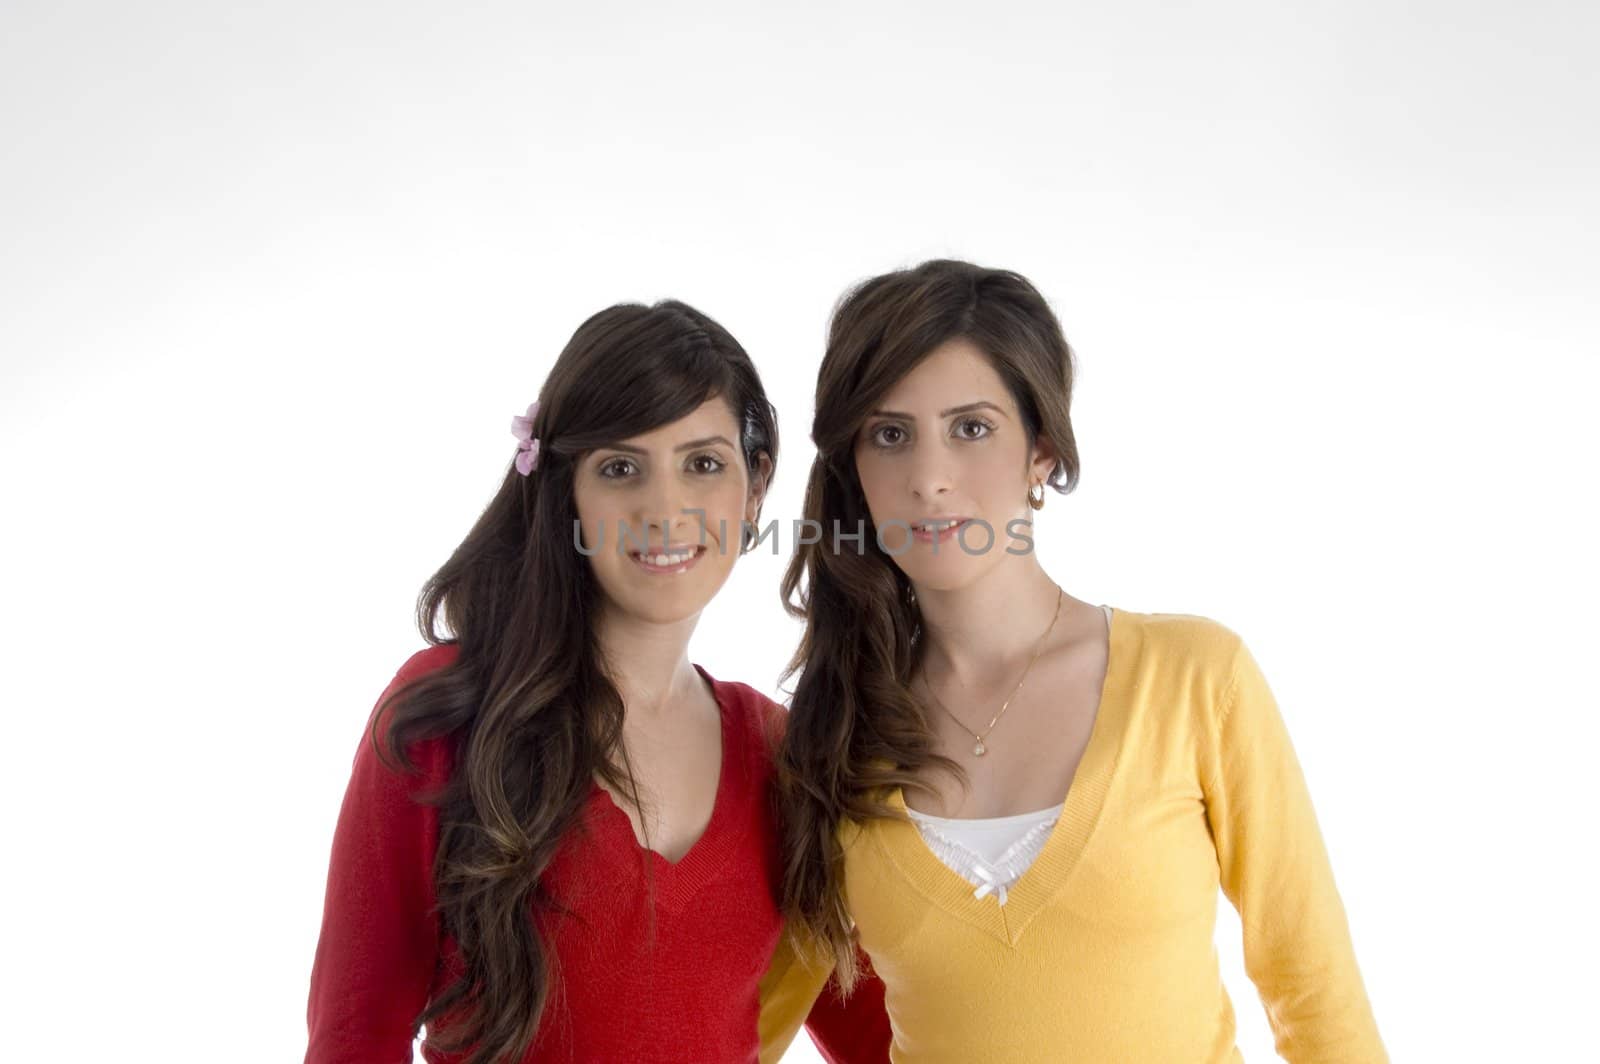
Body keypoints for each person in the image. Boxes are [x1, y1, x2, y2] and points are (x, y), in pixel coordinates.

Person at [772, 259, 1389, 1061]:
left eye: (972, 428)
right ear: (854, 469)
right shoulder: (828, 738)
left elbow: (1318, 998)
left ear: (1042, 451)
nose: (929, 478)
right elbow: (744, 1018)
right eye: (891, 435)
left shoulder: (1196, 679)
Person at [304, 300, 890, 1063]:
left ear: (755, 489)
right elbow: (357, 1032)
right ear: (564, 493)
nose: (664, 508)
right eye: (620, 468)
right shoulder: (448, 712)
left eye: (703, 463)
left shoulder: (783, 754)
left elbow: (885, 1033)